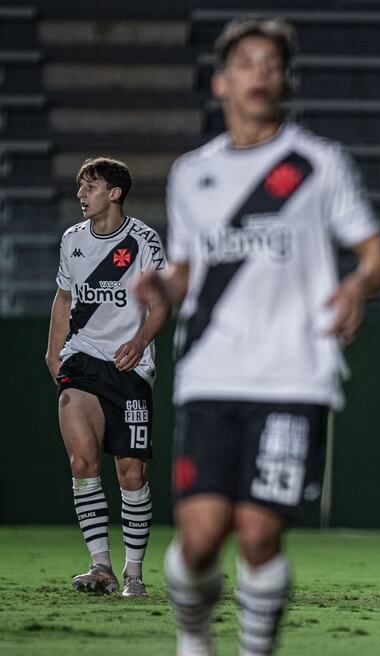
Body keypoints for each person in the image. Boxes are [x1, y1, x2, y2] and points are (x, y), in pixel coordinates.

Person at [132, 17, 380, 656]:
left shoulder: (319, 164)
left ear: (285, 81)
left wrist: (356, 287)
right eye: (246, 63)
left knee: (257, 535)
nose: (259, 74)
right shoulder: (191, 173)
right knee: (199, 539)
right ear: (221, 82)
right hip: (212, 372)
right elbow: (188, 270)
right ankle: (195, 636)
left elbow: (377, 257)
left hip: (294, 375)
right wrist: (163, 285)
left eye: (271, 65)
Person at [44, 157, 170, 597]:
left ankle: (134, 573)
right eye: (81, 186)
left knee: (131, 473)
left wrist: (140, 341)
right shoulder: (72, 239)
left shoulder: (144, 241)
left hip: (128, 368)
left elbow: (161, 304)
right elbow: (64, 298)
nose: (81, 194)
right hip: (82, 361)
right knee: (82, 462)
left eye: (90, 186)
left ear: (114, 193)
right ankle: (101, 567)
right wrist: (54, 350)